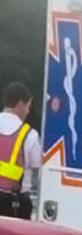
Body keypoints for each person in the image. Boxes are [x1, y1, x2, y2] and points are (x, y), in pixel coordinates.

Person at [0, 82, 42, 219]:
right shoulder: (29, 134)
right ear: (20, 104)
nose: (28, 111)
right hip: (14, 206)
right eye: (28, 106)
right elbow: (37, 164)